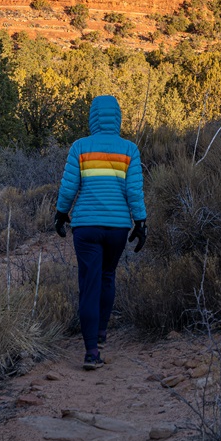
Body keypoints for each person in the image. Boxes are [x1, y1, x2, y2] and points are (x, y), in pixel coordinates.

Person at [54, 94, 147, 370]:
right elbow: (134, 191)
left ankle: (91, 351)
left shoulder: (80, 147)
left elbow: (69, 187)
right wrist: (141, 222)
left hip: (86, 226)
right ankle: (102, 333)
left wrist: (61, 213)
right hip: (118, 227)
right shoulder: (129, 149)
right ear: (117, 117)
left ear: (92, 117)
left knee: (89, 284)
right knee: (107, 277)